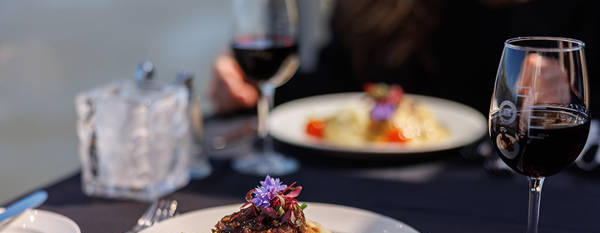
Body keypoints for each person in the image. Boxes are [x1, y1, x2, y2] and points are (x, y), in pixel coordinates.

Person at [210, 0, 599, 116]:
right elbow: (336, 82)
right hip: (384, 202)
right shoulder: (374, 8)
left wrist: (569, 96)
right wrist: (256, 92)